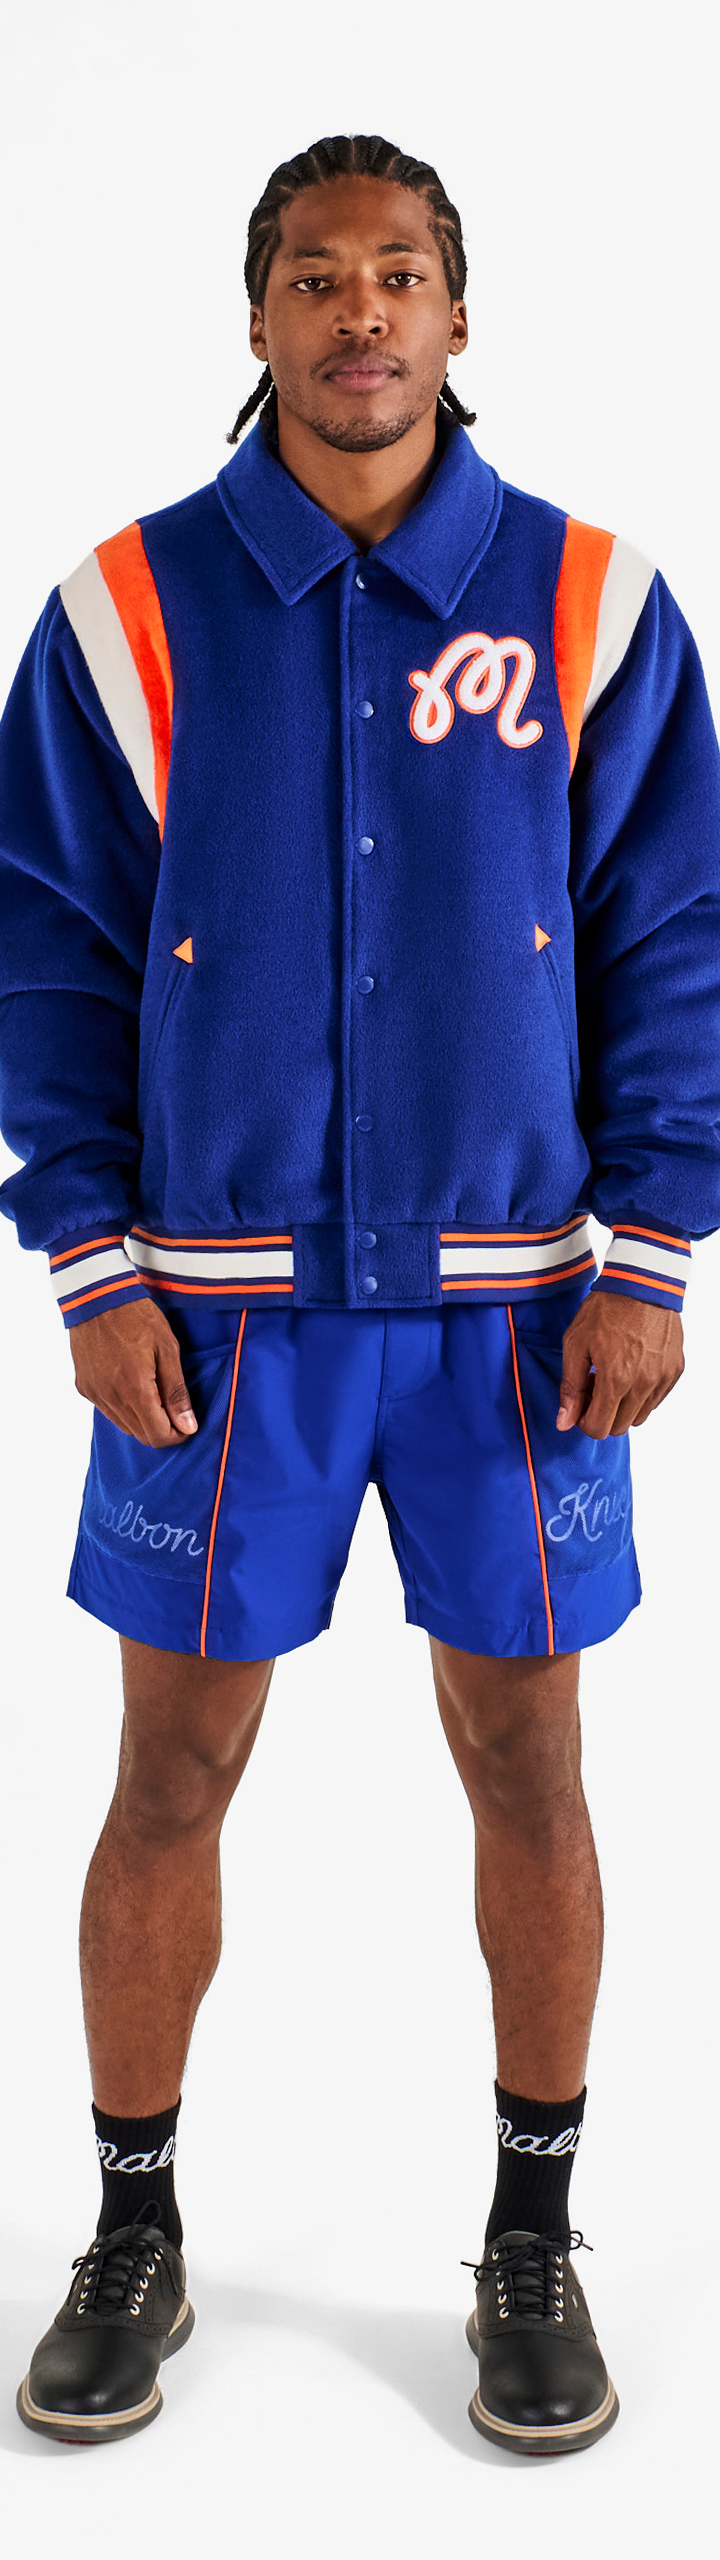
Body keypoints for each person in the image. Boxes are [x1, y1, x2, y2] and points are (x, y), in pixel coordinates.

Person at [1, 129, 719, 2461]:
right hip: (215, 1322)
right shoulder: (124, 608)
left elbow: (674, 938)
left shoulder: (597, 601)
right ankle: (133, 2227)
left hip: (525, 1325)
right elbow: (47, 950)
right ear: (257, 319)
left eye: (399, 272)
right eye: (315, 277)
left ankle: (532, 2233)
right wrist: (89, 1255)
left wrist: (654, 1247)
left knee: (531, 1759)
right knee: (169, 1771)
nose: (360, 315)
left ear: (459, 312)